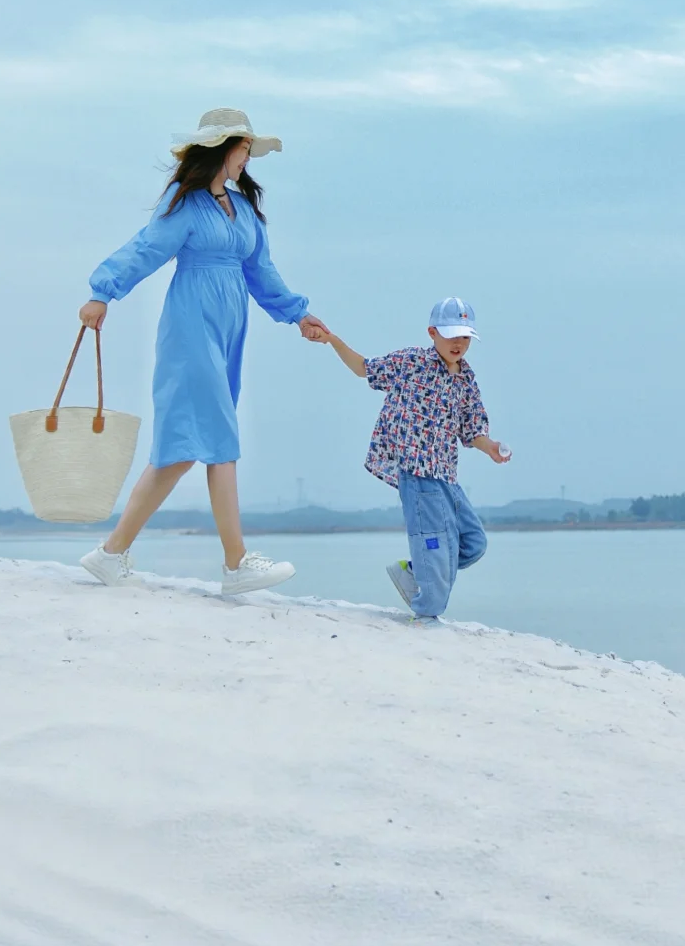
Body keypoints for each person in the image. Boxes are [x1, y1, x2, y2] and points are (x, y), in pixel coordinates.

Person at [77, 108, 325, 595]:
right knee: (216, 435)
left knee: (180, 451)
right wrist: (102, 291)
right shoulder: (185, 203)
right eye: (244, 149)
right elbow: (146, 247)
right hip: (191, 324)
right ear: (223, 147)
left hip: (230, 328)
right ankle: (236, 563)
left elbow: (261, 271)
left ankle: (110, 555)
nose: (247, 160)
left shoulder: (243, 207)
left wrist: (298, 314)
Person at [310, 297, 510, 622]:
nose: (458, 343)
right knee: (434, 545)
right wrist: (332, 339)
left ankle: (414, 572)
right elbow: (365, 369)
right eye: (451, 334)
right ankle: (426, 615)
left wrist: (491, 447)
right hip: (416, 473)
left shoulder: (466, 380)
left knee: (473, 543)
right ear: (432, 332)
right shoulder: (411, 362)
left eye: (465, 336)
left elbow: (472, 430)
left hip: (446, 475)